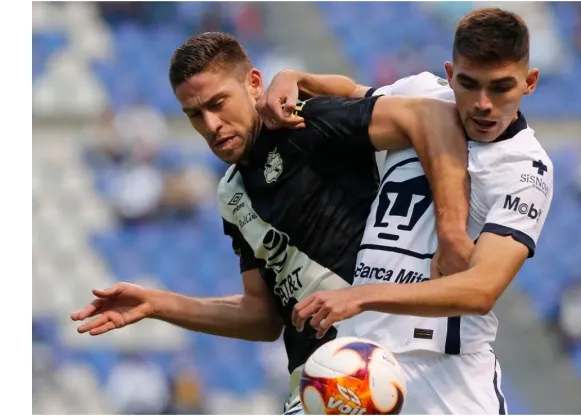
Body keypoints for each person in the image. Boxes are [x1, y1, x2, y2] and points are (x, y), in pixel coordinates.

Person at [70, 32, 473, 414]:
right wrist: (159, 304)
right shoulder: (231, 195)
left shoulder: (304, 123)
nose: (210, 126)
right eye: (194, 114)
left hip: (377, 357)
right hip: (315, 379)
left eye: (217, 104)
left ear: (253, 83)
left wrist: (451, 232)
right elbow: (263, 317)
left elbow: (432, 117)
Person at [260, 8, 554, 415]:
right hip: (358, 358)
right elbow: (353, 92)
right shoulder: (420, 94)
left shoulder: (524, 168)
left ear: (530, 82)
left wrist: (362, 296)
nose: (484, 104)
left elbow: (480, 289)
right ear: (450, 74)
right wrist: (295, 78)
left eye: (501, 87)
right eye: (469, 84)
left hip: (445, 376)